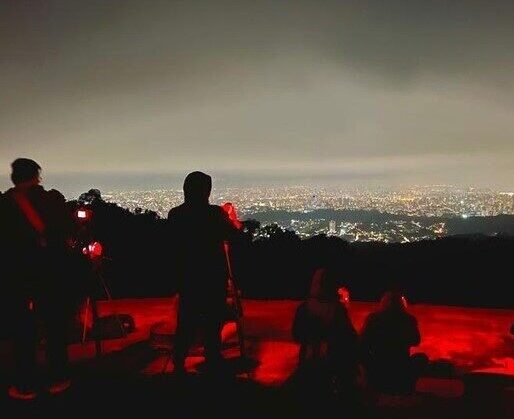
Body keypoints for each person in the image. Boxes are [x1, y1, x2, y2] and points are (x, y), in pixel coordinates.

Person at [0, 158, 74, 399]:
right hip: (52, 274)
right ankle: (58, 377)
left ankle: (25, 384)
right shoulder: (51, 200)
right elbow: (67, 230)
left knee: (23, 331)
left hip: (19, 277)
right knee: (55, 327)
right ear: (36, 176)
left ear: (14, 178)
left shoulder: (6, 204)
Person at [167, 171, 241, 374]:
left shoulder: (176, 215)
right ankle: (213, 360)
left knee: (186, 322)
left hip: (187, 276)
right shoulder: (214, 214)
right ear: (205, 191)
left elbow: (170, 246)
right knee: (212, 323)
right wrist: (233, 219)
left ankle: (179, 362)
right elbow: (234, 235)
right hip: (212, 277)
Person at [292, 267, 359, 395]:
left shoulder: (304, 308)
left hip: (308, 361)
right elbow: (350, 338)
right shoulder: (337, 310)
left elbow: (297, 335)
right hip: (331, 363)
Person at [360, 290, 427, 394]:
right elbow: (416, 340)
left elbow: (362, 342)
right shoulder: (408, 319)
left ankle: (374, 382)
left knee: (363, 356)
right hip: (401, 366)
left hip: (377, 365)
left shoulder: (373, 319)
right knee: (422, 358)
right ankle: (405, 384)